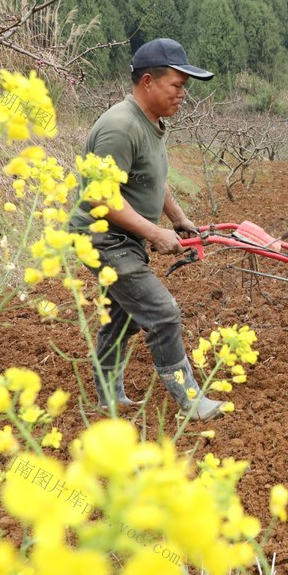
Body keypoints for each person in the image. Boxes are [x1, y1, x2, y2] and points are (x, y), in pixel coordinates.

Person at [69, 38, 224, 419]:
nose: (182, 95)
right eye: (177, 85)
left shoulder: (152, 124)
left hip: (125, 238)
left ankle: (108, 395)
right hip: (103, 239)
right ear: (149, 82)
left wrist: (178, 219)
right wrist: (155, 234)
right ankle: (189, 400)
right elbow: (101, 198)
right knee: (162, 312)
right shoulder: (120, 127)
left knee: (123, 315)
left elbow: (154, 181)